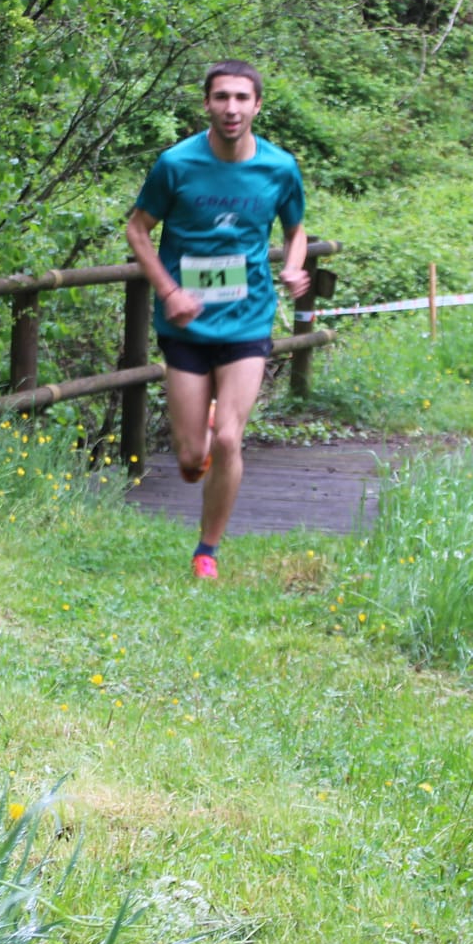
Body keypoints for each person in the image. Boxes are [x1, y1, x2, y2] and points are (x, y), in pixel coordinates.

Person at [126, 59, 308, 580]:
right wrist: (170, 290)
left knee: (231, 438)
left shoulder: (279, 167)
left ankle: (208, 551)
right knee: (189, 461)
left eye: (241, 98)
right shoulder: (175, 164)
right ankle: (199, 435)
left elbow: (295, 230)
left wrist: (294, 268)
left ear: (257, 105)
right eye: (221, 97)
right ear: (206, 103)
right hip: (185, 322)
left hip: (248, 319)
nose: (232, 108)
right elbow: (138, 230)